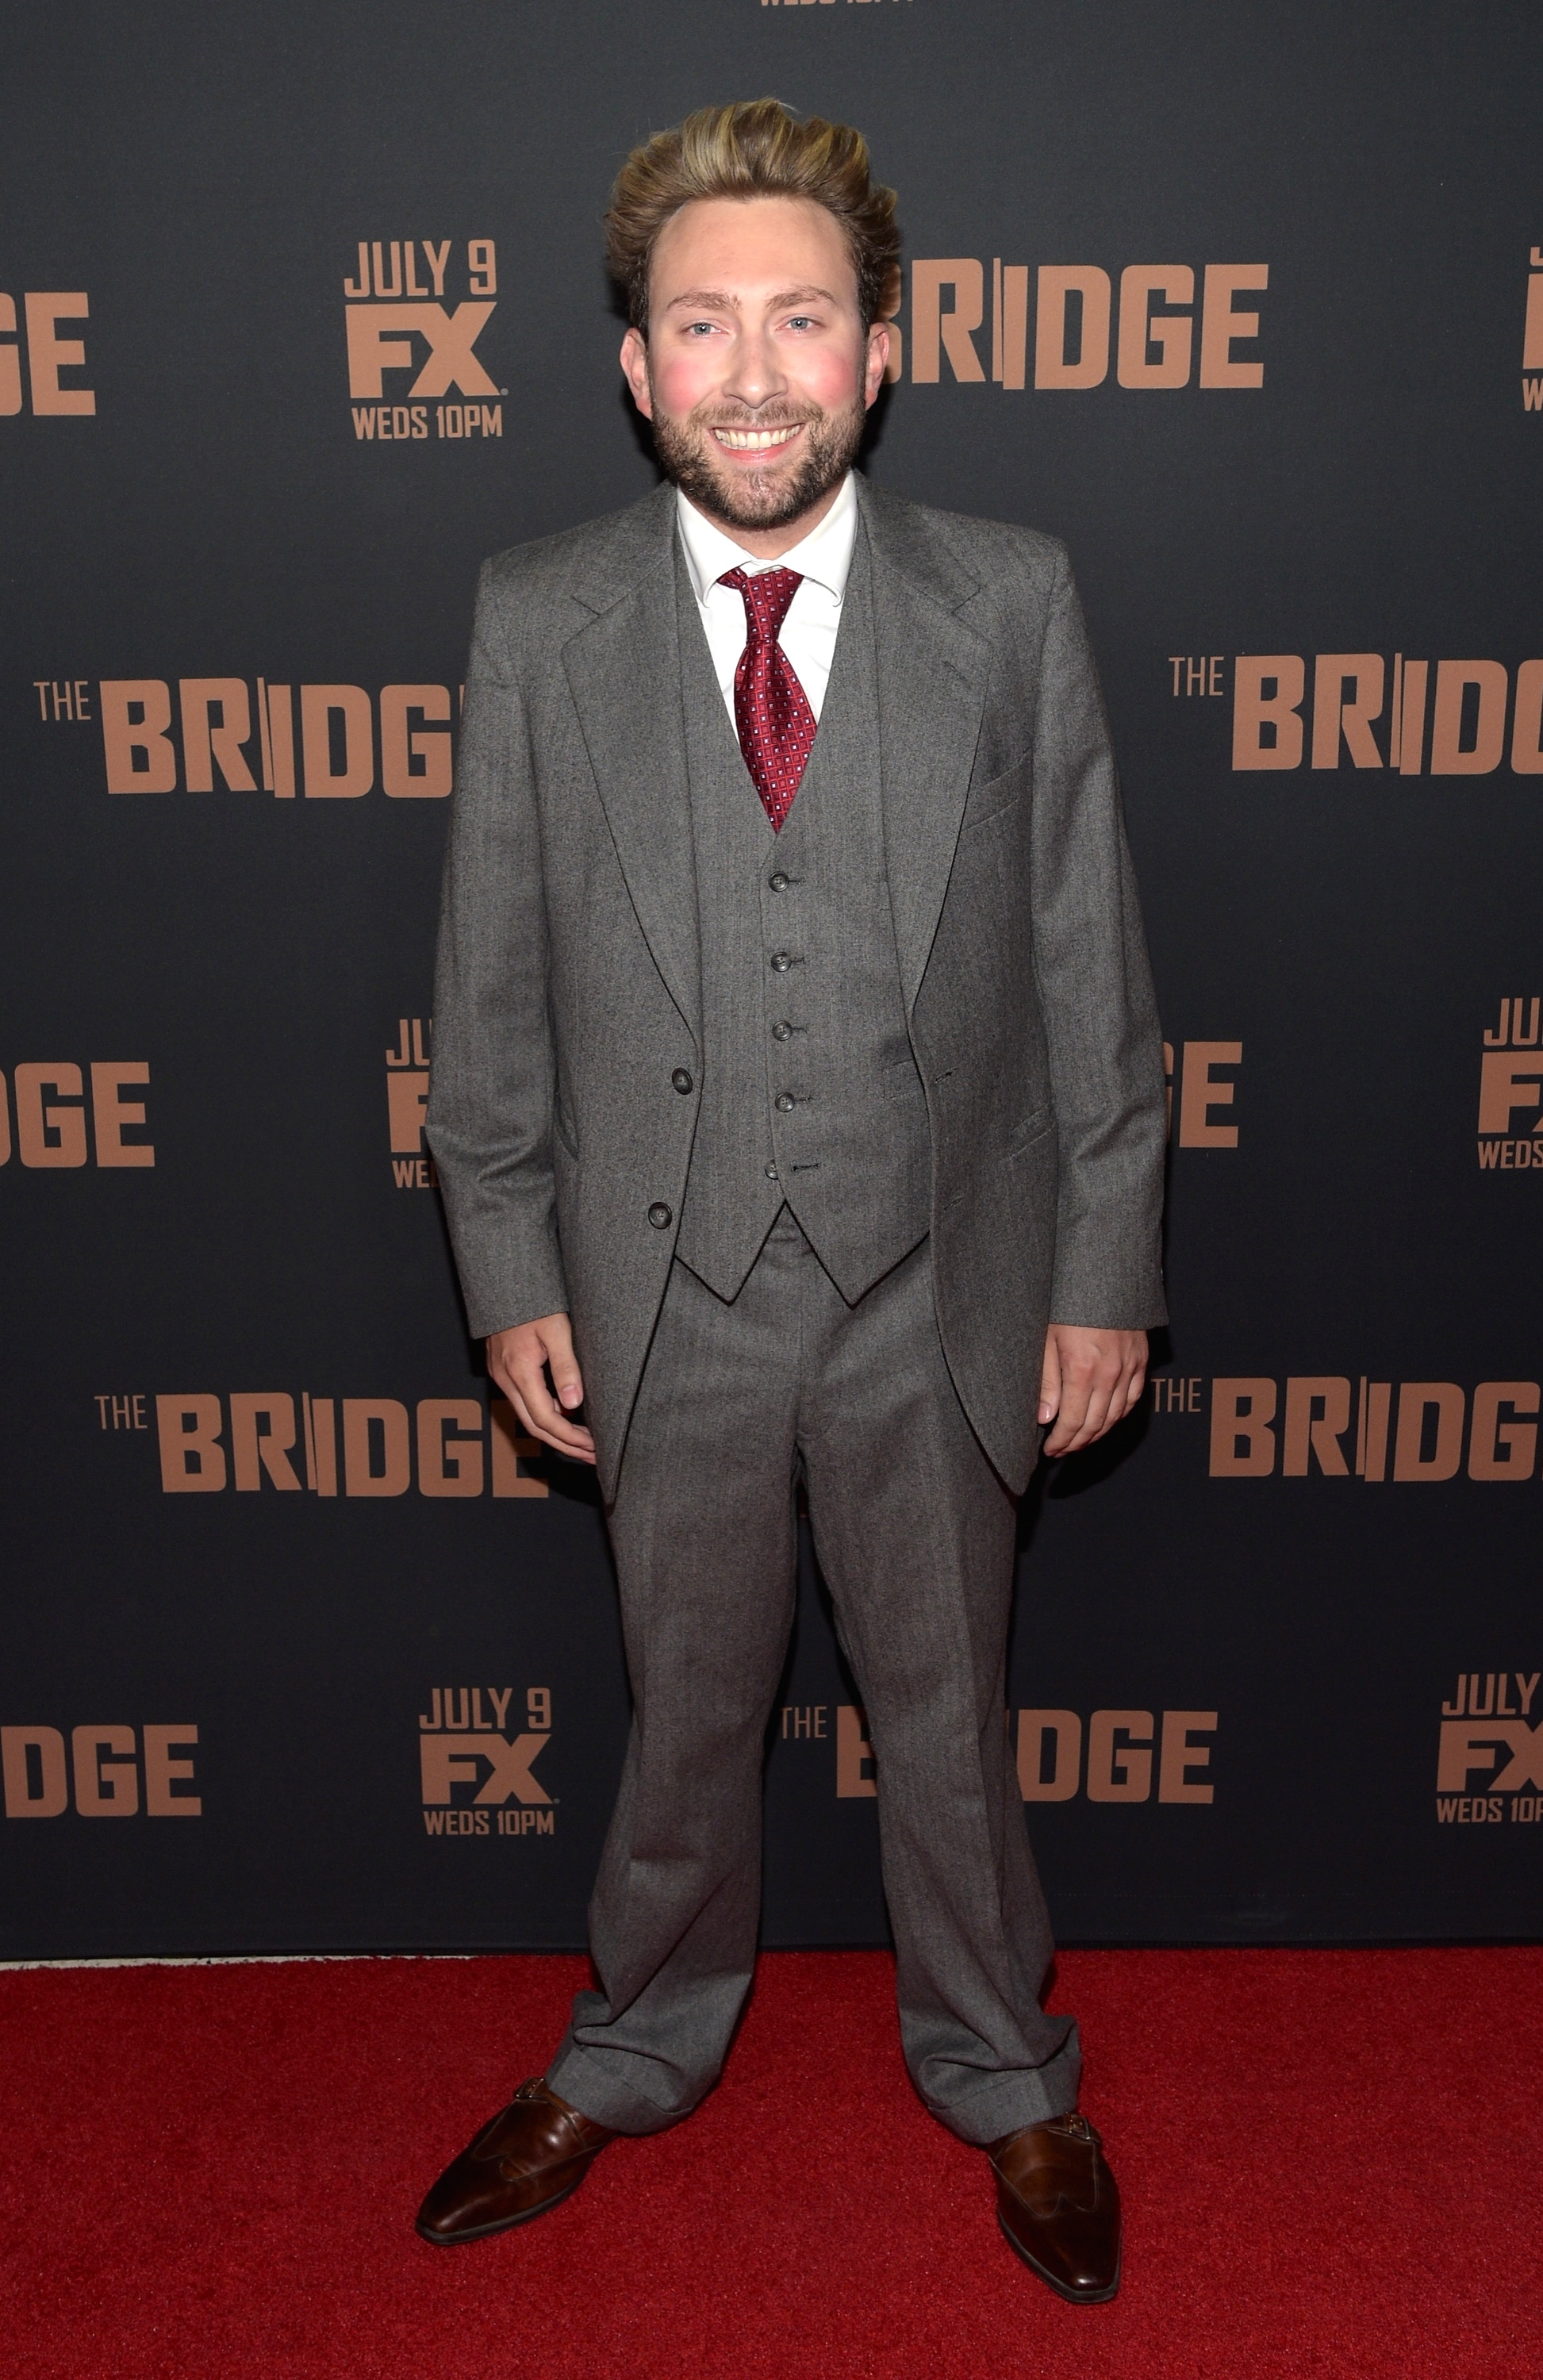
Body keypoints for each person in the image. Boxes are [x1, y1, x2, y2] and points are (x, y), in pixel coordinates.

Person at [417, 98, 1165, 2302]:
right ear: (635, 367)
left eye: (803, 321)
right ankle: (634, 2047)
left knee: (948, 1724)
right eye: (701, 323)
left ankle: (1006, 2074)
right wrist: (506, 1264)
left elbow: (1085, 961)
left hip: (942, 1279)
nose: (755, 371)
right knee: (685, 1712)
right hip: (668, 1291)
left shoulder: (1007, 599)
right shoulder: (536, 618)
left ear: (881, 351)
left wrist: (1103, 1266)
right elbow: (484, 981)